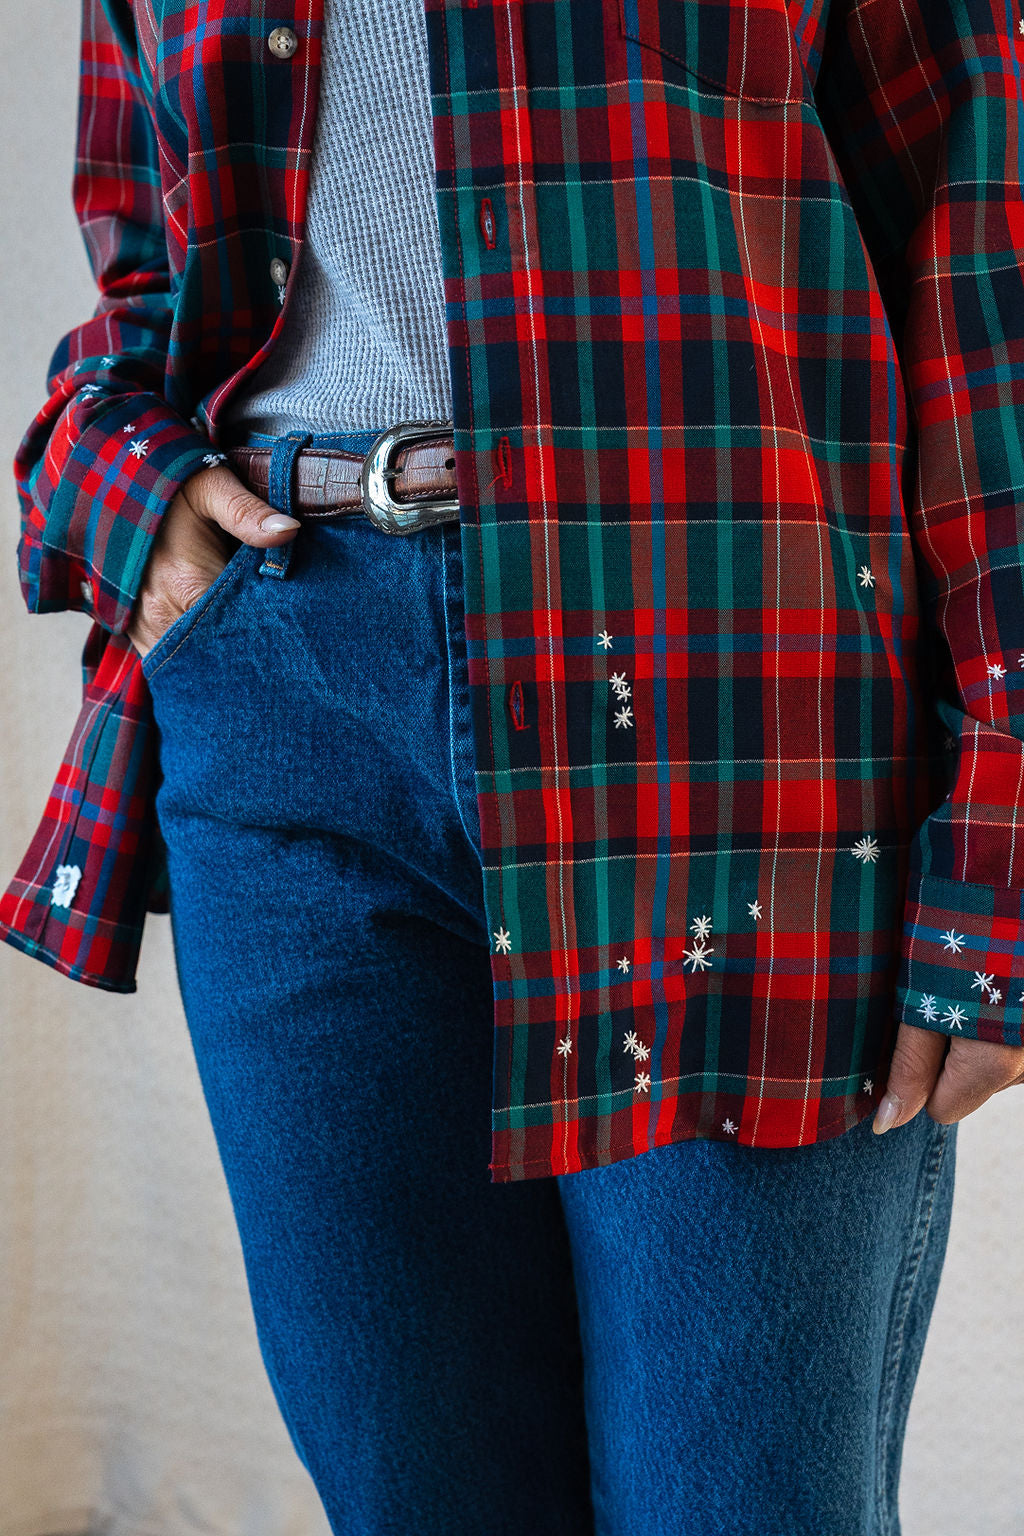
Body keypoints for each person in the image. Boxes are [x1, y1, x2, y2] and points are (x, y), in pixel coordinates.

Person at [4, 0, 1023, 1530]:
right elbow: (147, 270)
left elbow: (987, 264)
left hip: (730, 709)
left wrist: (1007, 808)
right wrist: (122, 489)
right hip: (285, 701)